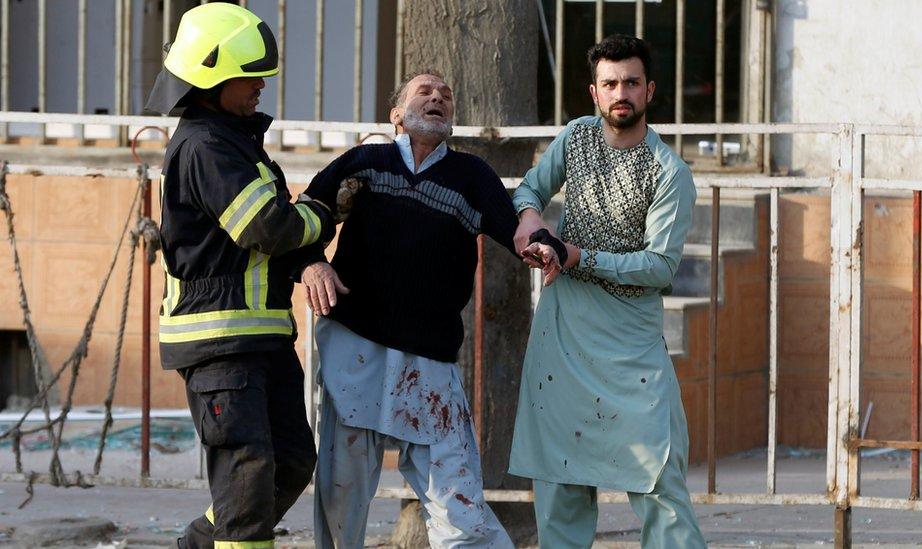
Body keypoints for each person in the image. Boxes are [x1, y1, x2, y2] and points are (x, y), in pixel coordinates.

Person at [301, 70, 561, 549]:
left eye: (446, 95)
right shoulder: (365, 161)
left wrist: (541, 242)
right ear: (396, 114)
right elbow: (302, 216)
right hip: (356, 349)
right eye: (425, 91)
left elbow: (513, 229)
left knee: (458, 500)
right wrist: (313, 264)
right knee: (342, 498)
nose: (438, 97)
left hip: (430, 363)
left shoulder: (472, 176)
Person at [144, 4, 335, 548]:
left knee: (292, 463)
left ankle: (199, 543)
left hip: (261, 338)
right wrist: (325, 209)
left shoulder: (232, 140)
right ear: (211, 77)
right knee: (247, 490)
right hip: (220, 345)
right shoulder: (205, 146)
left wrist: (309, 249)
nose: (259, 87)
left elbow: (272, 238)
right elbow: (267, 227)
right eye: (249, 77)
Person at [508, 34, 707, 548]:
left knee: (660, 483)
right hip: (563, 337)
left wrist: (578, 256)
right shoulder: (575, 139)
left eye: (632, 83)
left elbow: (659, 267)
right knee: (560, 484)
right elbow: (529, 188)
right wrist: (531, 225)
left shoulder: (669, 172)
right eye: (611, 83)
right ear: (594, 93)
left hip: (630, 348)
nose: (622, 92)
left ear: (650, 91)